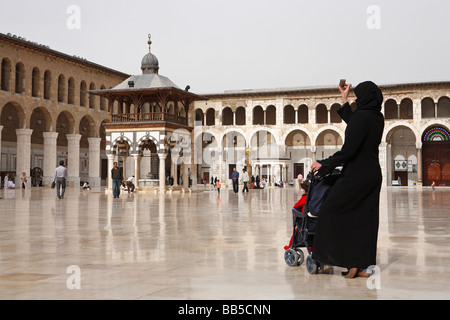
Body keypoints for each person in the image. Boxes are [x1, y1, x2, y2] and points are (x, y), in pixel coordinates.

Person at [310, 81, 385, 279]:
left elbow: (349, 150)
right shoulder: (377, 117)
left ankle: (335, 257)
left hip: (356, 176)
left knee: (329, 210)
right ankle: (358, 266)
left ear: (365, 98)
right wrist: (344, 101)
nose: (355, 98)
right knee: (363, 221)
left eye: (357, 96)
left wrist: (324, 164)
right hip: (372, 175)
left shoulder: (362, 117)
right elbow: (357, 126)